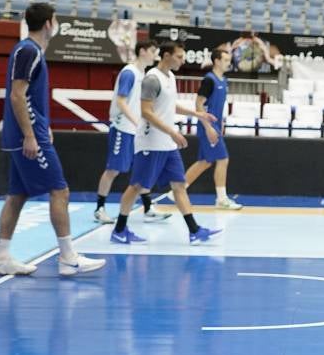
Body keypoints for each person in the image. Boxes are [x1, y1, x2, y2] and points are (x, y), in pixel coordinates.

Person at [0, 3, 105, 278]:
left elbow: (29, 99)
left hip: (31, 132)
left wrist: (44, 125)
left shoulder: (30, 50)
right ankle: (68, 258)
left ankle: (0, 257)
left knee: (17, 195)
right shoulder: (29, 50)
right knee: (59, 190)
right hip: (27, 136)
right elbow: (18, 95)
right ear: (49, 23)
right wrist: (31, 134)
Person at [108, 41, 224, 245]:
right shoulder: (152, 79)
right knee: (136, 186)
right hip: (150, 143)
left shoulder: (170, 76)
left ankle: (194, 230)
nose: (182, 60)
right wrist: (172, 131)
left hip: (167, 144)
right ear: (167, 55)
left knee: (179, 185)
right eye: (179, 56)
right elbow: (146, 112)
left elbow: (170, 106)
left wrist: (196, 113)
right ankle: (119, 229)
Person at [93, 39, 164, 224]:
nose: (155, 55)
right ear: (142, 51)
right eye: (152, 51)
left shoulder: (144, 75)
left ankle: (148, 208)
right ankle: (99, 209)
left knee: (142, 168)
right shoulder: (129, 73)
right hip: (122, 128)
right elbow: (121, 102)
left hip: (136, 131)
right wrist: (136, 121)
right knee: (113, 170)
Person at [182, 42, 242, 209]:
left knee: (205, 162)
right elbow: (198, 104)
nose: (228, 63)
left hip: (215, 126)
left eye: (229, 60)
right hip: (207, 127)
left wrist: (221, 124)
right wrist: (208, 127)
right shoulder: (209, 80)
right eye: (225, 60)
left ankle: (178, 190)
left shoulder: (224, 80)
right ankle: (221, 199)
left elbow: (218, 105)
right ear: (216, 61)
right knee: (223, 159)